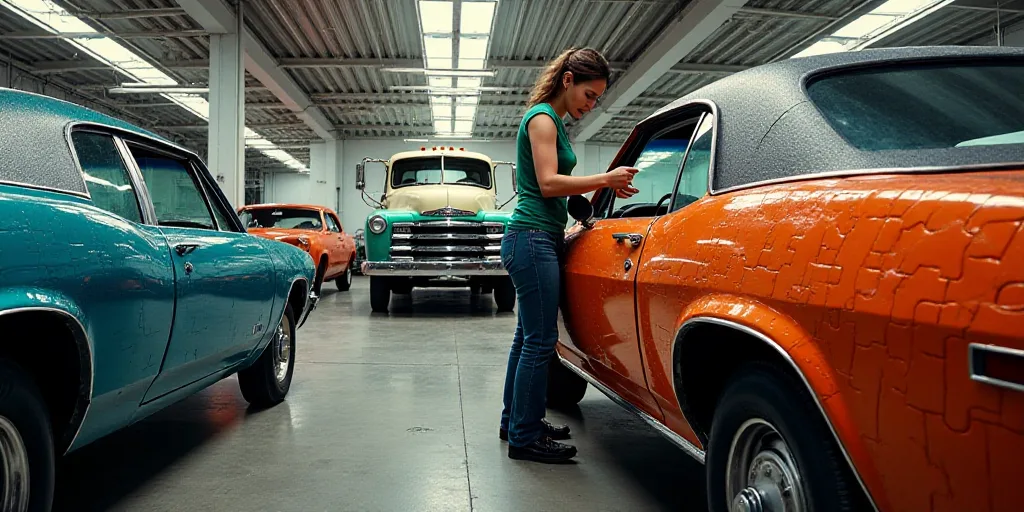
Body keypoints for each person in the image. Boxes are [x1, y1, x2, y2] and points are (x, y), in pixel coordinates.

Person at [499, 47, 639, 464]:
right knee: (541, 342)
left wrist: (580, 206)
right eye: (590, 95)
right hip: (532, 239)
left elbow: (549, 185)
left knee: (526, 338)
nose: (591, 104)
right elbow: (545, 183)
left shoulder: (552, 122)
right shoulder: (542, 119)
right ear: (568, 81)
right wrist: (606, 179)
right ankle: (524, 437)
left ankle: (516, 422)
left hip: (536, 236)